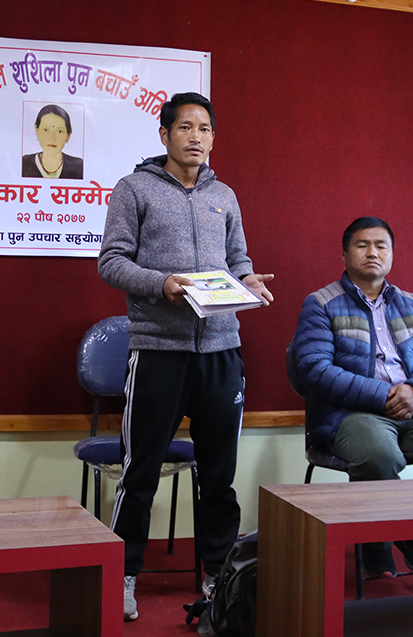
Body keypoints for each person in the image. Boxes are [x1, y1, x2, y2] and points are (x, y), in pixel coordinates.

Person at [98, 92, 273, 621]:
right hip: (158, 351)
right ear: (165, 134)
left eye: (205, 129)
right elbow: (111, 262)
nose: (196, 137)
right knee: (140, 473)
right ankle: (123, 574)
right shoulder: (134, 189)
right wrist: (162, 283)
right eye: (185, 127)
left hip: (221, 350)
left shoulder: (225, 195)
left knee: (218, 476)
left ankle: (219, 577)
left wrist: (246, 281)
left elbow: (237, 258)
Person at [290, 217, 413, 579]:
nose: (372, 252)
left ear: (392, 254)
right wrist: (385, 396)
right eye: (362, 244)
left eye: (381, 245)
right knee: (380, 456)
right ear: (344, 254)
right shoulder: (321, 303)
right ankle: (375, 545)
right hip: (351, 412)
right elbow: (315, 369)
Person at [22, 104, 84, 179]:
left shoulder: (79, 166)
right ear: (37, 131)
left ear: (68, 135)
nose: (52, 138)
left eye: (59, 131)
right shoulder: (24, 163)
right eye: (45, 130)